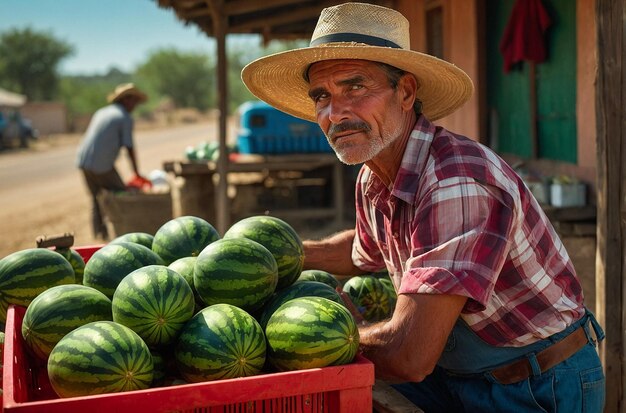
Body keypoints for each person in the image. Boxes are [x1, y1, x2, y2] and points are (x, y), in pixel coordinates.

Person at [241, 3, 605, 412]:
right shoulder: (373, 174)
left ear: (407, 92)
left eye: (355, 87)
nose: (335, 112)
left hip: (533, 386)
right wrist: (272, 257)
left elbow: (409, 356)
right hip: (459, 375)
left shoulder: (457, 181)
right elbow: (364, 252)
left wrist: (309, 336)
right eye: (322, 96)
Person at [76, 83, 148, 240]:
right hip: (101, 164)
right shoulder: (124, 118)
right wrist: (136, 173)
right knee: (121, 195)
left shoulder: (102, 112)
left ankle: (99, 235)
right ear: (126, 100)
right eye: (134, 101)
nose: (135, 105)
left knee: (96, 198)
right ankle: (124, 235)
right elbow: (129, 147)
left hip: (84, 161)